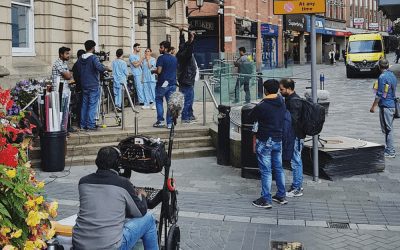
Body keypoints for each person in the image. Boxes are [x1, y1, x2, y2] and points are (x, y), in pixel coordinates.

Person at [72, 146, 159, 250]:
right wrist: (143, 195)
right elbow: (140, 212)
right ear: (118, 164)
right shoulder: (123, 184)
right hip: (110, 247)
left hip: (79, 244)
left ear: (97, 161)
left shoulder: (83, 182)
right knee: (149, 219)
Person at [250, 79, 287, 208]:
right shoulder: (281, 102)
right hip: (278, 139)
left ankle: (266, 199)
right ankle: (281, 195)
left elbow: (251, 116)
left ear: (265, 90)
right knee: (278, 167)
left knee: (266, 171)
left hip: (265, 140)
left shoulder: (263, 105)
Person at [279, 78, 305, 197]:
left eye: (282, 89)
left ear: (289, 89)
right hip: (295, 135)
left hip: (296, 136)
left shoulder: (293, 102)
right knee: (296, 160)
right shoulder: (290, 99)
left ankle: (297, 188)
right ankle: (297, 185)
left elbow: (292, 121)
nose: (280, 91)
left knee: (296, 161)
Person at [75, 40, 107, 131]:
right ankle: (90, 124)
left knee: (84, 105)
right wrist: (106, 69)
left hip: (84, 84)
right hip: (93, 84)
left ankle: (83, 124)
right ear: (93, 48)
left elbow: (78, 68)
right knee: (92, 105)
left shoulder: (81, 58)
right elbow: (99, 67)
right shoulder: (94, 57)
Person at [370, 58, 397, 158]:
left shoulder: (382, 77)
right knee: (388, 128)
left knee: (388, 129)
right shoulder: (392, 75)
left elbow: (379, 94)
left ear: (379, 66)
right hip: (392, 105)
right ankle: (389, 148)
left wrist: (373, 107)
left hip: (386, 106)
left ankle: (390, 151)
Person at [152, 41, 178, 129]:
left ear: (166, 49)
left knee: (159, 100)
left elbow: (159, 71)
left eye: (161, 47)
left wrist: (153, 71)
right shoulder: (174, 58)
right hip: (172, 83)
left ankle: (160, 121)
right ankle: (170, 123)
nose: (160, 49)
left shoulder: (161, 58)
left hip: (162, 84)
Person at [176, 29, 197, 124]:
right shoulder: (186, 56)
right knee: (188, 99)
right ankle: (185, 117)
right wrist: (192, 39)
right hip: (187, 80)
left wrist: (181, 35)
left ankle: (189, 115)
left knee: (187, 99)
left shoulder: (180, 53)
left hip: (183, 79)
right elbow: (189, 48)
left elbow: (182, 45)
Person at [51, 46, 73, 131]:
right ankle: (61, 128)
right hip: (59, 90)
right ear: (61, 54)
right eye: (66, 54)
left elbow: (69, 76)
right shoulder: (58, 63)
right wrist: (69, 75)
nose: (68, 55)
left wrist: (69, 75)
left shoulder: (64, 63)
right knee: (60, 110)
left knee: (65, 109)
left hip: (65, 89)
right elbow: (68, 76)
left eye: (69, 54)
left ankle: (65, 127)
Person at [72, 49, 86, 128]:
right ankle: (81, 122)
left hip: (79, 87)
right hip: (81, 88)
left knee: (80, 105)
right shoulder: (80, 65)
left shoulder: (76, 65)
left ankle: (80, 121)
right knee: (81, 105)